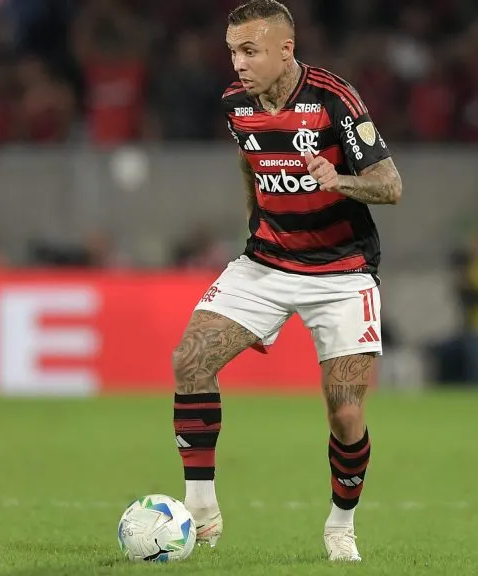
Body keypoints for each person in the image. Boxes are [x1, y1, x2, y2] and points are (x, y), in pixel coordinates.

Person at [171, 0, 402, 563]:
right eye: (232, 52)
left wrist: (340, 180)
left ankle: (341, 525)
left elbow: (390, 185)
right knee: (190, 359)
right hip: (266, 262)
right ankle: (200, 510)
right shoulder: (235, 105)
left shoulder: (333, 99)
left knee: (345, 411)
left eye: (249, 51)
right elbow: (250, 164)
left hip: (342, 270)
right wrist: (257, 223)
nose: (238, 64)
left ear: (285, 49)